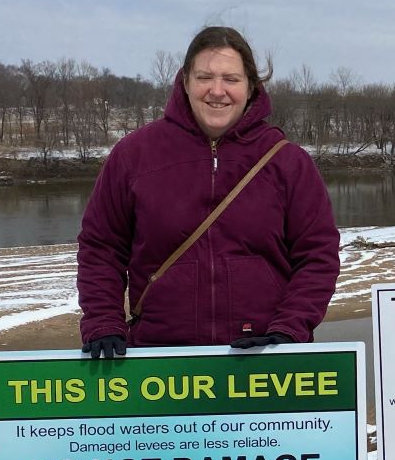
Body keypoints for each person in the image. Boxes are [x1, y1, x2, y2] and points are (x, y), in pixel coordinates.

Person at [77, 26, 340, 353]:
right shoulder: (134, 155)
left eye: (231, 79)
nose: (217, 91)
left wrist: (289, 329)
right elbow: (101, 247)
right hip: (160, 361)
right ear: (185, 82)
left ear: (251, 87)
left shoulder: (287, 161)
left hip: (263, 358)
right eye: (205, 78)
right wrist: (103, 322)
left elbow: (318, 255)